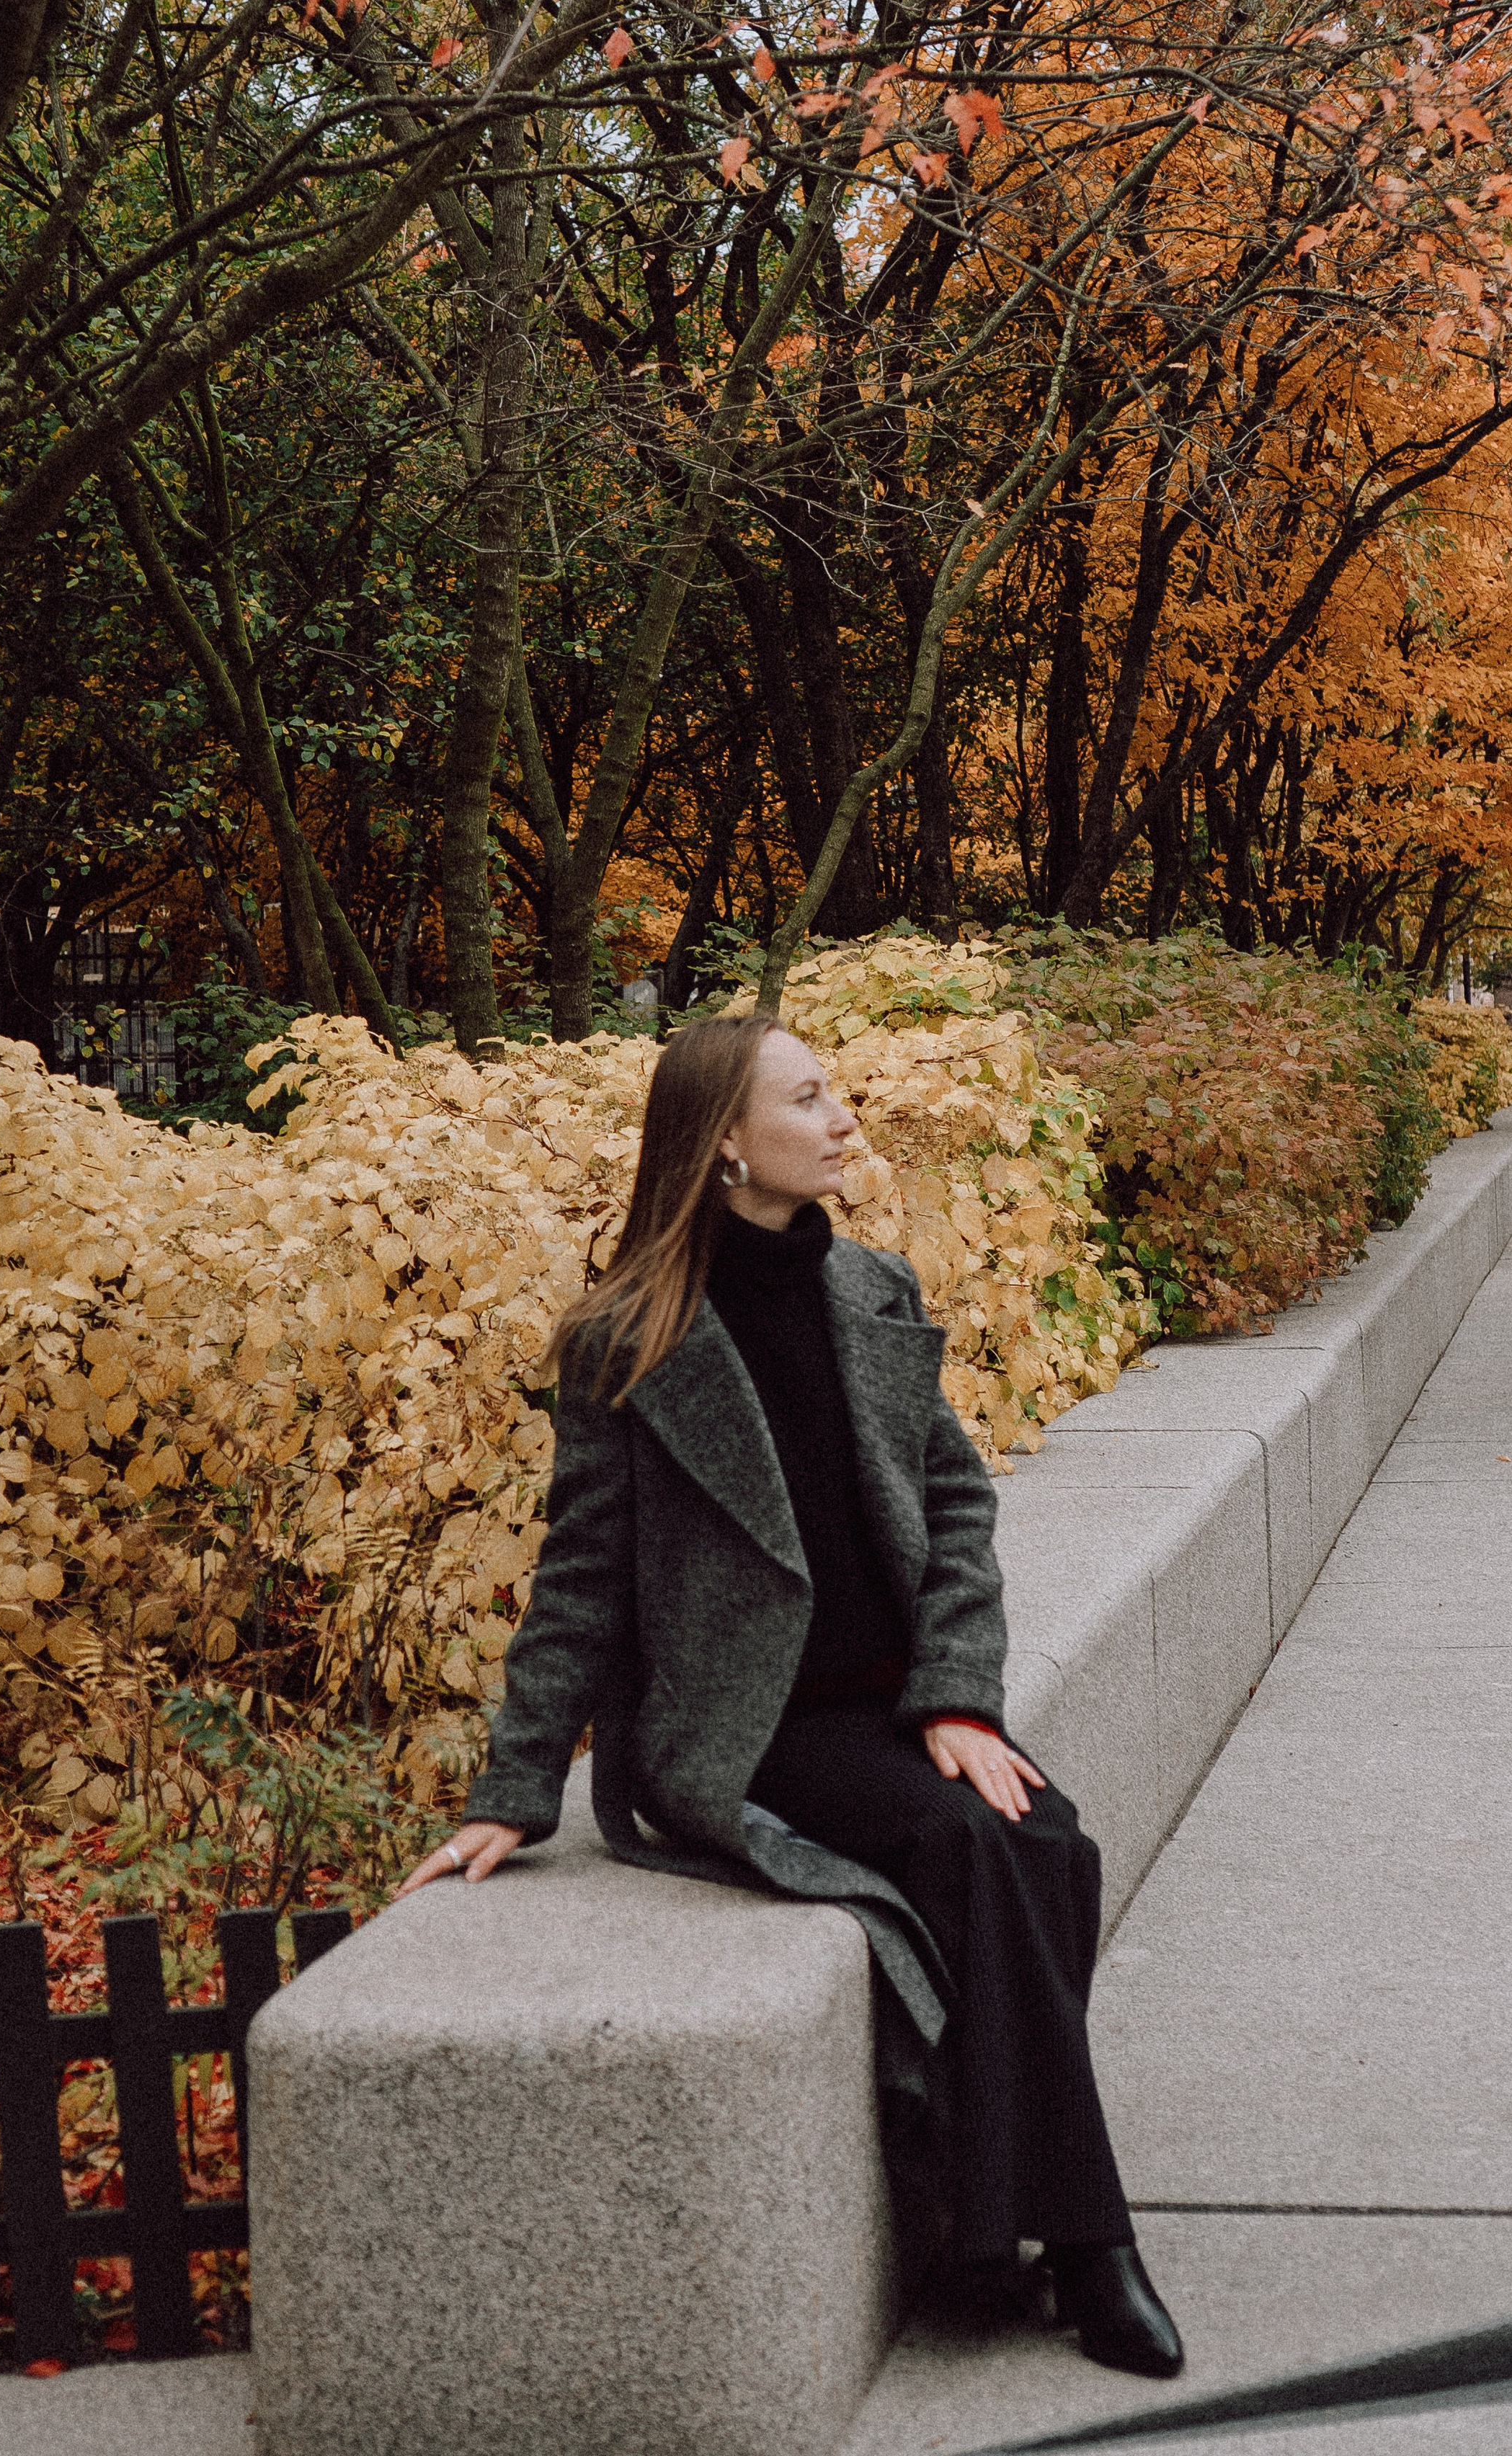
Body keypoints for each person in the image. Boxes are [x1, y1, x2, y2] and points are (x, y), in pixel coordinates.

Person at [398, 1011, 1183, 2379]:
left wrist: (960, 1700)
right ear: (722, 1148)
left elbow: (955, 1508)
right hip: (748, 1731)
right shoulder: (628, 1341)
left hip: (896, 1704)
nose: (843, 1119)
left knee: (1049, 1841)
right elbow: (580, 1582)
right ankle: (1093, 2247)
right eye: (810, 1098)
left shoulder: (873, 1290)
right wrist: (513, 1792)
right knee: (964, 1843)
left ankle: (987, 2224)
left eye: (836, 1095)